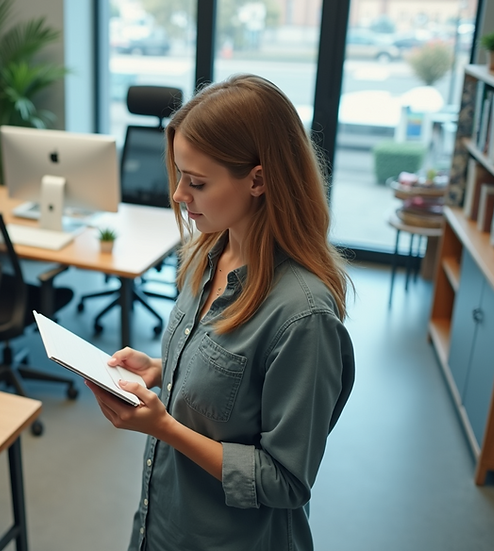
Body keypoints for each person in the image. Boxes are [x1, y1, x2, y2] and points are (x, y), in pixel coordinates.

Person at [86, 74, 356, 551]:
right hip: (161, 524)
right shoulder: (206, 254)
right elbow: (229, 383)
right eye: (179, 176)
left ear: (258, 179)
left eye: (197, 182)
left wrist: (164, 427)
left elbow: (285, 482)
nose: (178, 195)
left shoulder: (304, 318)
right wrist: (159, 369)